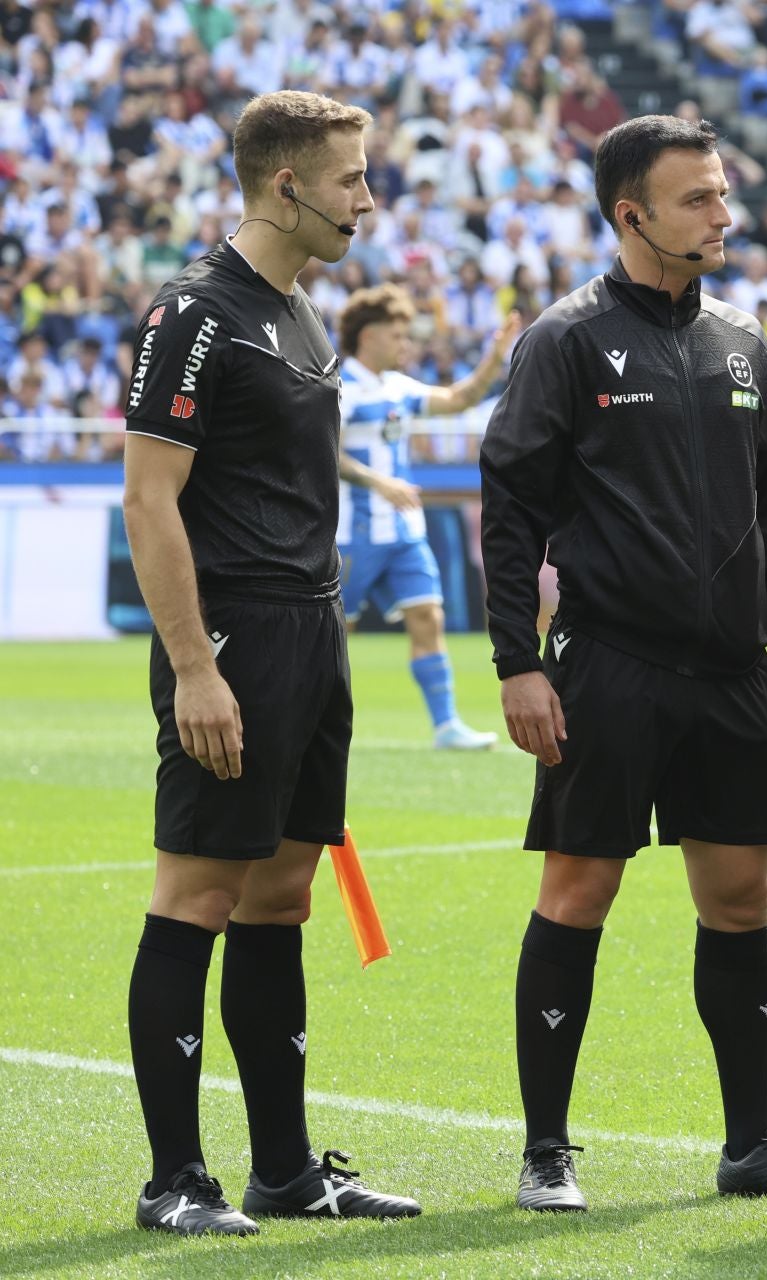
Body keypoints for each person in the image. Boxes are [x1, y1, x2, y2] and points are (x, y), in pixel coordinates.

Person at [480, 115, 767, 1215]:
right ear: (631, 214)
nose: (723, 214)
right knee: (579, 886)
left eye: (724, 192)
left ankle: (753, 1143)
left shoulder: (744, 340)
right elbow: (509, 508)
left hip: (731, 672)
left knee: (740, 897)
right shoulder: (565, 339)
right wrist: (518, 661)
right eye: (697, 199)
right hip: (606, 661)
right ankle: (545, 1148)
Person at [119, 89, 417, 1237]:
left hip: (313, 629)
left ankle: (284, 1171)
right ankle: (174, 1179)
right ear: (285, 184)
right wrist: (196, 666)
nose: (367, 200)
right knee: (195, 891)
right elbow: (151, 502)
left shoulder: (300, 312)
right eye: (351, 179)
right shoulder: (194, 311)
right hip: (231, 636)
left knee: (281, 897)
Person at [332, 283, 520, 749]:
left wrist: (495, 355)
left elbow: (458, 399)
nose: (405, 344)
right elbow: (324, 452)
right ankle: (312, 723)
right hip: (353, 533)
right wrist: (380, 483)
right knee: (334, 636)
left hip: (403, 530)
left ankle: (446, 725)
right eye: (397, 334)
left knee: (428, 617)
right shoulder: (338, 387)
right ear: (368, 334)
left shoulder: (398, 387)